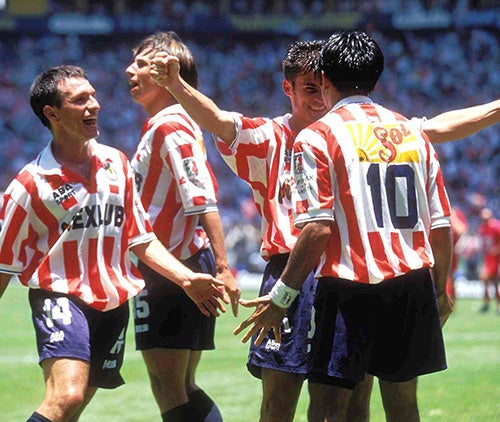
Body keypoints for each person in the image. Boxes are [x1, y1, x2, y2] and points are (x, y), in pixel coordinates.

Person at [151, 40, 499, 421]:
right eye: (308, 89)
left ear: (333, 81)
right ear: (289, 89)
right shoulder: (270, 136)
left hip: (350, 274)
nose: (318, 98)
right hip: (295, 266)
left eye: (322, 86)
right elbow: (217, 119)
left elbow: (438, 127)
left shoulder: (353, 133)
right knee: (281, 397)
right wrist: (177, 87)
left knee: (349, 403)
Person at [232, 30, 454, 422]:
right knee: (403, 407)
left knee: (329, 408)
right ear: (376, 77)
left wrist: (281, 298)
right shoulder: (412, 133)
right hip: (411, 284)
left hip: (351, 288)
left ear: (328, 80)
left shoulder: (316, 137)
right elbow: (439, 224)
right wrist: (438, 288)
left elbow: (317, 228)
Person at [0, 65, 228, 422]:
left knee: (71, 410)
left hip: (113, 303)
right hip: (61, 296)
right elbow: (3, 264)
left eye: (92, 95)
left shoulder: (116, 163)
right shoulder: (30, 185)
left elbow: (140, 238)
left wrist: (186, 279)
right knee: (67, 396)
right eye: (80, 100)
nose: (94, 105)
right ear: (52, 113)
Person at [125, 31, 240, 422]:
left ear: (165, 73)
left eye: (142, 63)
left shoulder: (171, 124)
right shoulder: (167, 123)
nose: (130, 69)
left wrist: (224, 268)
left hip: (174, 270)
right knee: (180, 385)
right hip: (177, 267)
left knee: (169, 384)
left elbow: (202, 196)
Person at [477, 207, 500, 314]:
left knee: (485, 278)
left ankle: (487, 303)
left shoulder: (496, 226)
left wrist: (496, 250)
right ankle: (491, 303)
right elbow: (483, 242)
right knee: (491, 281)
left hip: (495, 257)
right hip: (488, 257)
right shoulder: (482, 228)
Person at [447, 207, 468, 303]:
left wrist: (452, 217)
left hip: (451, 252)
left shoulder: (455, 213)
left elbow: (461, 230)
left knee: (449, 277)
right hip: (440, 248)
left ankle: (450, 301)